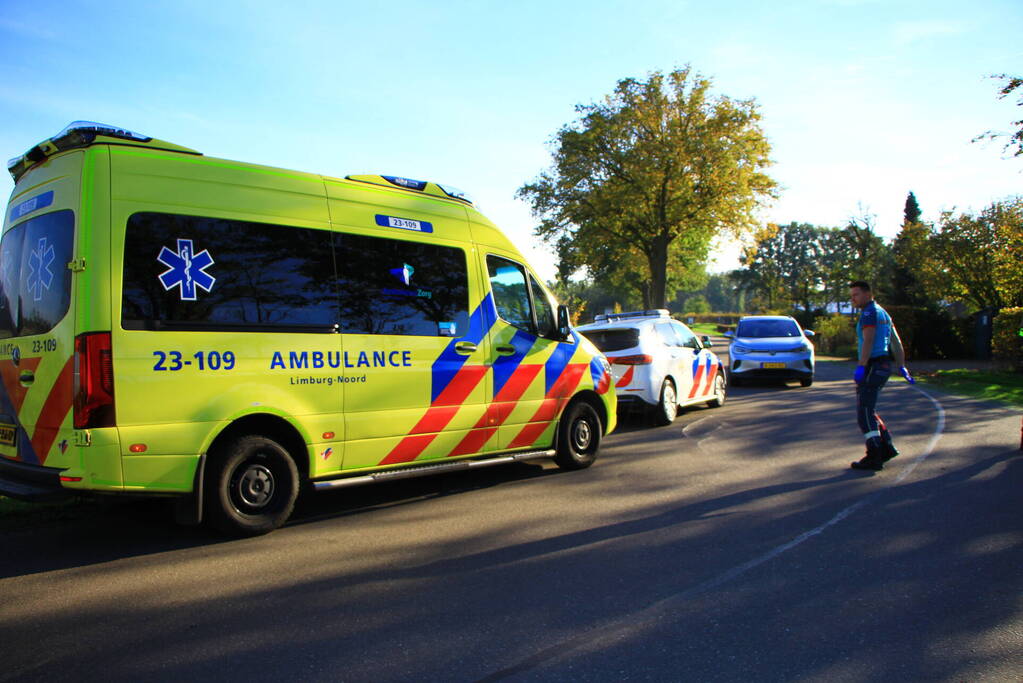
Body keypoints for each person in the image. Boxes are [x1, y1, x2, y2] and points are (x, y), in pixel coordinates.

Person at [848, 280, 914, 471]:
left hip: (873, 365)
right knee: (869, 409)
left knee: (864, 413)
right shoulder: (884, 313)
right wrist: (901, 366)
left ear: (868, 294)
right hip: (884, 365)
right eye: (851, 295)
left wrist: (861, 366)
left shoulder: (869, 312)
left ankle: (874, 455)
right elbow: (896, 342)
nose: (853, 299)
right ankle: (887, 448)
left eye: (856, 294)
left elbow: (868, 340)